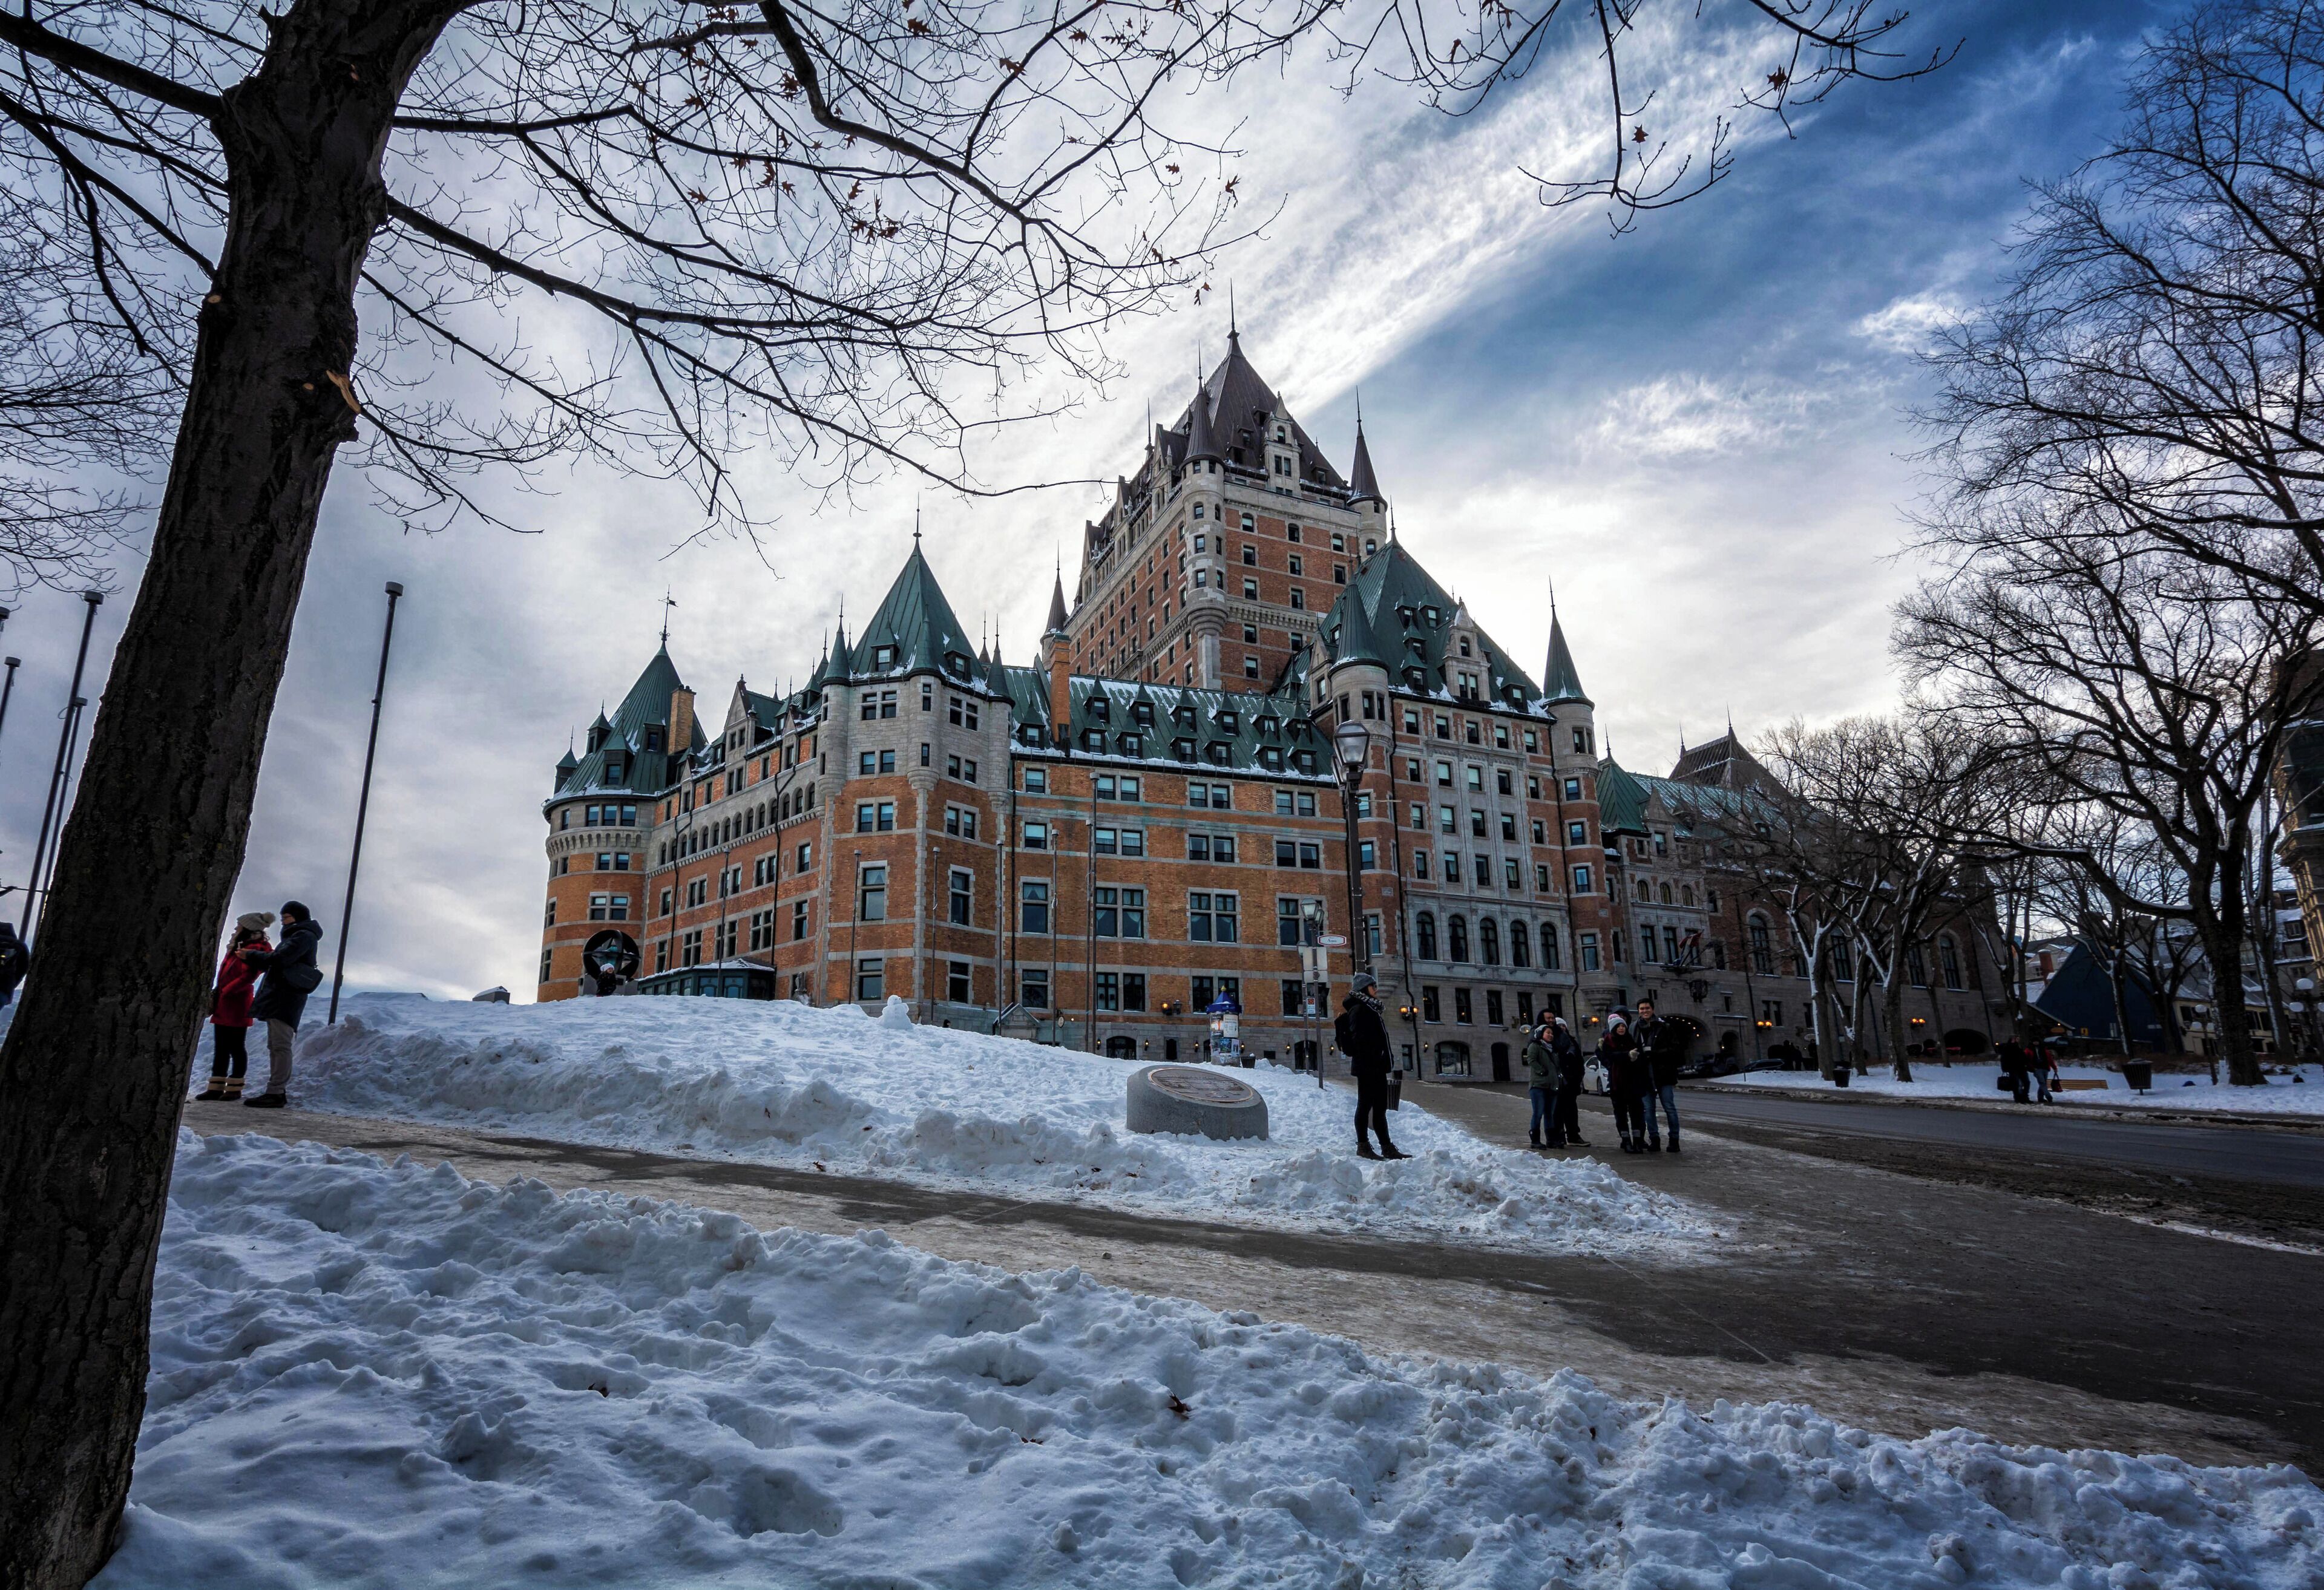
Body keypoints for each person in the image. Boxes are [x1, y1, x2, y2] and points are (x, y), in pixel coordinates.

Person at [240, 900, 323, 1108]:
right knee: (277, 1046)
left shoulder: (303, 936)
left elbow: (280, 959)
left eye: (287, 917)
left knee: (280, 1046)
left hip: (286, 999)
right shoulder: (297, 935)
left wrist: (251, 955)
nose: (284, 921)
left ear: (298, 917)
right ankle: (275, 1090)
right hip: (282, 998)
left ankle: (276, 1092)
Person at [194, 912, 272, 1102]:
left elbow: (248, 977)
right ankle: (216, 1087)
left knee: (236, 1047)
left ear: (247, 929)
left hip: (237, 1003)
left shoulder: (253, 949)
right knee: (221, 1046)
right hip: (225, 1002)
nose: (236, 929)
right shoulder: (240, 947)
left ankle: (234, 1088)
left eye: (239, 927)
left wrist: (227, 990)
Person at [1335, 972, 1405, 1160]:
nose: (1377, 989)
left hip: (1376, 1067)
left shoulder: (1369, 1008)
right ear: (1364, 988)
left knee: (1380, 1108)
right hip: (1368, 1067)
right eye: (1373, 986)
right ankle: (1363, 1146)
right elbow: (1360, 1040)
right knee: (1365, 1106)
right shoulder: (1359, 1009)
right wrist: (1375, 1055)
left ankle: (1387, 1147)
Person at [1633, 996, 1685, 1154]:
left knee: (1669, 1108)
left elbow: (1676, 1050)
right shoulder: (1634, 1028)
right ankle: (1654, 1140)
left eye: (1647, 1008)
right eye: (1642, 1009)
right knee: (1649, 1110)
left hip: (1664, 1074)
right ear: (1638, 1011)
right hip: (1644, 1075)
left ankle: (1674, 1141)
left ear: (1653, 1009)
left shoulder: (1664, 1027)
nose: (1645, 1011)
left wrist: (1655, 1053)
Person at [1601, 1012, 1647, 1153]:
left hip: (1633, 1083)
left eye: (1623, 1026)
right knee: (1621, 1114)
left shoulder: (1630, 1040)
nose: (1621, 1029)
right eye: (1618, 1026)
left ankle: (1638, 1140)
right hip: (1618, 1084)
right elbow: (1609, 1056)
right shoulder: (1608, 1042)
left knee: (1637, 1114)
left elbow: (1640, 1058)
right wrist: (1627, 1056)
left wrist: (1636, 1059)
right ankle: (1626, 1141)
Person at [1549, 1015, 1588, 1148]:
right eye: (1559, 1026)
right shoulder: (1553, 1042)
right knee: (1558, 1111)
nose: (1562, 1028)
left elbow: (1579, 1061)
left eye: (1563, 1026)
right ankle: (1559, 1137)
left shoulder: (1572, 1042)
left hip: (1572, 1082)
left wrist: (1579, 1077)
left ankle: (1573, 1135)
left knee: (1571, 1110)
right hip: (1559, 1082)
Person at [1523, 1016, 1556, 1149]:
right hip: (1538, 1085)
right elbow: (1531, 1060)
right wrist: (1541, 1071)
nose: (1550, 1035)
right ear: (1541, 1034)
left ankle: (1551, 1140)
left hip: (1552, 1086)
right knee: (1538, 1112)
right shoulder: (1535, 1046)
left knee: (1549, 1114)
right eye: (1548, 1033)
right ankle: (1535, 1140)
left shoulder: (1552, 1049)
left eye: (1552, 1033)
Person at [1997, 1039, 2030, 1105]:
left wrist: (2027, 1065)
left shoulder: (2018, 1049)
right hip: (2013, 1068)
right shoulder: (2007, 1049)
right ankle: (2019, 1098)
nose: (2015, 1041)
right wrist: (2005, 1068)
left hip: (2021, 1068)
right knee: (2016, 1083)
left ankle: (2024, 1097)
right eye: (2014, 1040)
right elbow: (2004, 1059)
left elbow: (2024, 1058)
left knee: (2026, 1082)